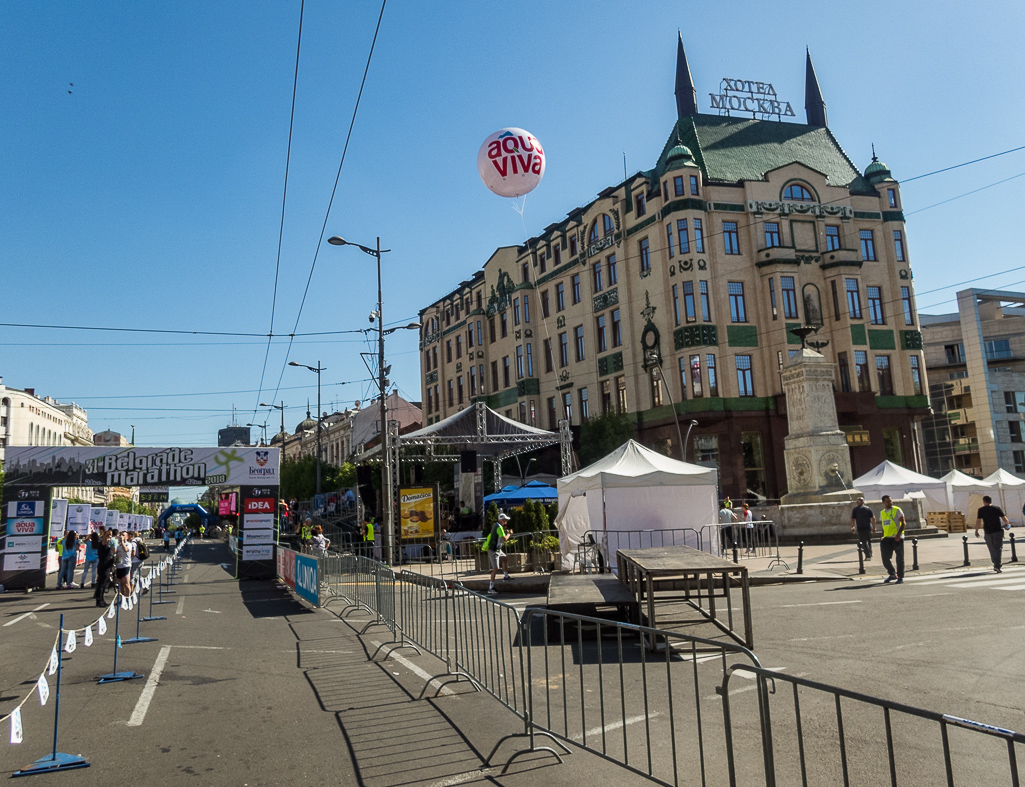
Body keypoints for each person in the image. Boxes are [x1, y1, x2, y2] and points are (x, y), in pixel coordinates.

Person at [976, 495, 1010, 573]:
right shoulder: (996, 508)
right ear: (991, 501)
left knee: (991, 548)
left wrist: (976, 530)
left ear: (984, 502)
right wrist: (1007, 524)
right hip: (997, 531)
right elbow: (1004, 518)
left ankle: (995, 562)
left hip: (987, 532)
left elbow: (978, 521)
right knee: (998, 548)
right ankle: (997, 564)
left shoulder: (981, 510)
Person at [879, 495, 906, 584]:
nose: (889, 503)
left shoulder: (896, 510)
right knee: (885, 558)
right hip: (887, 538)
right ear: (883, 502)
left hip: (897, 538)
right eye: (887, 501)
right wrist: (883, 535)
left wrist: (898, 534)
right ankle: (892, 574)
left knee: (899, 558)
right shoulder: (882, 513)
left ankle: (900, 577)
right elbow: (884, 525)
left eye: (890, 501)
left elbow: (903, 523)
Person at [485, 512, 512, 594]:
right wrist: (509, 534)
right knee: (496, 569)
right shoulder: (499, 527)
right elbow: (504, 539)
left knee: (504, 558)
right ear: (501, 520)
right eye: (505, 520)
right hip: (494, 550)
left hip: (497, 549)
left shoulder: (497, 526)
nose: (506, 522)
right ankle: (491, 587)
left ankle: (506, 576)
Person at [94, 529, 116, 607]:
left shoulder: (108, 544)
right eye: (108, 535)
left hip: (107, 565)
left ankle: (102, 599)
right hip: (103, 565)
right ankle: (99, 600)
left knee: (104, 584)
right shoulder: (103, 543)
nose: (110, 537)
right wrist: (107, 535)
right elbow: (104, 541)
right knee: (101, 584)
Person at [114, 530, 134, 597]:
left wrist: (122, 541)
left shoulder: (129, 544)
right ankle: (122, 598)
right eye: (121, 535)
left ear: (127, 537)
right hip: (119, 565)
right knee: (121, 583)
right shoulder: (117, 545)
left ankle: (128, 597)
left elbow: (125, 550)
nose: (121, 536)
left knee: (126, 583)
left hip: (126, 565)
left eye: (123, 535)